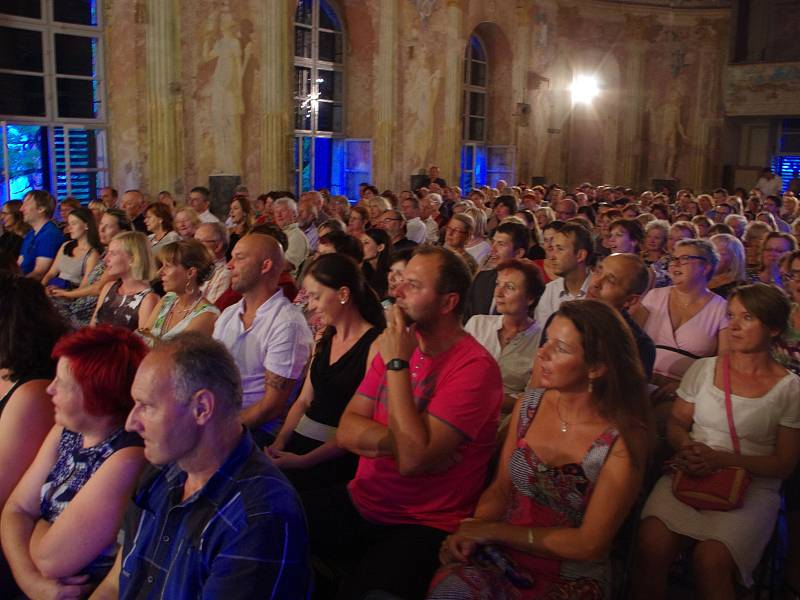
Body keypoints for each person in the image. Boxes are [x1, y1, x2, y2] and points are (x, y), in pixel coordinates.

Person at [303, 246, 503, 600]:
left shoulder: (474, 368)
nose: (396, 292)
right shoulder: (397, 341)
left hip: (422, 522)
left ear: (447, 302)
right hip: (361, 499)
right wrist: (408, 442)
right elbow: (348, 429)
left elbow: (411, 463)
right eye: (400, 282)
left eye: (413, 285)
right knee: (266, 523)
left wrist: (396, 363)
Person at [429, 300, 653, 600]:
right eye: (546, 341)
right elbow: (500, 488)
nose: (542, 353)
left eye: (560, 348)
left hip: (569, 571)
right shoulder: (528, 407)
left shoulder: (623, 438)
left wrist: (491, 531)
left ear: (596, 368)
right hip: (501, 552)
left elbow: (590, 543)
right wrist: (474, 530)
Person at [90, 333, 312, 599]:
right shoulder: (162, 470)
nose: (131, 423)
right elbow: (117, 582)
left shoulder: (259, 519)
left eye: (146, 406)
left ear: (201, 408)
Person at [633, 284, 800, 599]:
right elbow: (678, 423)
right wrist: (687, 448)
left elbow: (784, 464)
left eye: (746, 318)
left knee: (711, 561)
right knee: (649, 545)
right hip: (692, 469)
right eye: (730, 315)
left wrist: (721, 460)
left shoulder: (790, 390)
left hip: (752, 484)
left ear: (774, 328)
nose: (732, 326)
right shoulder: (703, 369)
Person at [1, 326, 148, 598]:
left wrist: (37, 523)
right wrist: (31, 583)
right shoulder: (66, 430)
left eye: (62, 383)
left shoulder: (127, 456)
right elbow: (14, 509)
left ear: (96, 397)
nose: (49, 389)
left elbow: (52, 561)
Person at [267, 253, 385, 492]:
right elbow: (303, 401)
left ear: (343, 294)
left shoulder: (376, 346)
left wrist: (302, 461)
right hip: (299, 443)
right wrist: (279, 444)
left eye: (315, 296)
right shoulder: (324, 337)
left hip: (334, 456)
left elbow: (359, 425)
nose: (311, 306)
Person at [213, 233, 313, 446]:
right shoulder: (229, 314)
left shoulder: (286, 323)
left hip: (256, 432)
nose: (230, 265)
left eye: (239, 258)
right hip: (220, 416)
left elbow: (271, 406)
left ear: (265, 265)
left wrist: (218, 433)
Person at [634, 239, 730, 407]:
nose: (675, 264)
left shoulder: (721, 309)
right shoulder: (653, 297)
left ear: (706, 267)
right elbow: (629, 340)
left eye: (684, 258)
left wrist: (685, 387)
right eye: (673, 259)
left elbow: (724, 362)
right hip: (642, 381)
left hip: (688, 391)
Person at [465, 259, 545, 414]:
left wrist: (483, 395)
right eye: (497, 284)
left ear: (530, 298)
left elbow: (529, 403)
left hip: (506, 422)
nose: (498, 293)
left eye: (509, 287)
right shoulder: (477, 324)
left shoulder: (541, 340)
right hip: (464, 408)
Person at [48, 208, 131, 327]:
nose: (101, 229)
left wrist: (65, 294)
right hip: (78, 305)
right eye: (101, 224)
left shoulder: (119, 257)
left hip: (86, 312)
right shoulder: (105, 253)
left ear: (122, 231)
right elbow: (86, 284)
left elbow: (97, 289)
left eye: (108, 226)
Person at [585, 253, 656, 379]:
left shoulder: (638, 347)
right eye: (598, 271)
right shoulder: (562, 319)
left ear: (631, 300)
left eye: (611, 280)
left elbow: (625, 397)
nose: (597, 283)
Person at [139, 240, 219, 344]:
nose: (160, 272)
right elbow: (143, 337)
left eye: (167, 266)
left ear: (190, 273)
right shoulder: (168, 299)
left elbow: (177, 355)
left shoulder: (208, 314)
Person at [463, 220, 531, 321]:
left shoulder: (528, 287)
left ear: (518, 253)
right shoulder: (482, 279)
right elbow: (466, 318)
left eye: (501, 244)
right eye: (493, 242)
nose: (492, 249)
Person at [91, 231, 159, 331]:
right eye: (107, 253)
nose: (106, 259)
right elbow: (92, 326)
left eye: (113, 254)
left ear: (132, 259)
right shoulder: (108, 287)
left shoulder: (148, 300)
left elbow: (142, 343)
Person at [534, 222, 594, 325]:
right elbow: (543, 335)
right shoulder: (549, 292)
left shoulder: (600, 291)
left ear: (580, 255)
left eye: (560, 249)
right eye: (552, 249)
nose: (552, 256)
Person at [41, 207, 102, 291]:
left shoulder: (92, 255)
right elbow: (51, 273)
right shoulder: (65, 245)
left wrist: (62, 292)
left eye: (74, 223)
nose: (69, 228)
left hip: (70, 296)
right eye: (69, 224)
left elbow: (83, 288)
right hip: (53, 289)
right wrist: (41, 289)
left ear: (86, 225)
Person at [18, 190, 64, 280]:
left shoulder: (49, 234)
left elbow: (40, 272)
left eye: (26, 204)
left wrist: (15, 284)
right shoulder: (31, 233)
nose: (21, 209)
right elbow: (20, 264)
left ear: (41, 209)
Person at [195, 222, 232, 304]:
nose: (193, 247)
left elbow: (210, 310)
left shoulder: (224, 274)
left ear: (218, 246)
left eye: (199, 242)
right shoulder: (194, 268)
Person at [273, 197, 310, 277]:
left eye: (283, 211)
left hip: (285, 282)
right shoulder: (276, 233)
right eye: (276, 212)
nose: (279, 215)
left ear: (294, 214)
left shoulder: (297, 236)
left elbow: (286, 265)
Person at [709, 233, 747, 298]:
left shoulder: (739, 289)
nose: (713, 256)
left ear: (734, 259)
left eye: (721, 253)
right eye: (711, 252)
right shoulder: (698, 280)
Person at [360, 228, 392, 299]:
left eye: (366, 243)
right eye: (360, 243)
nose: (361, 247)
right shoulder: (362, 270)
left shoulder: (391, 271)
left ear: (380, 247)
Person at [227, 195, 253, 260]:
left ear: (244, 212)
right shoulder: (228, 232)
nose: (231, 212)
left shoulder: (251, 233)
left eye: (235, 208)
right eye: (231, 208)